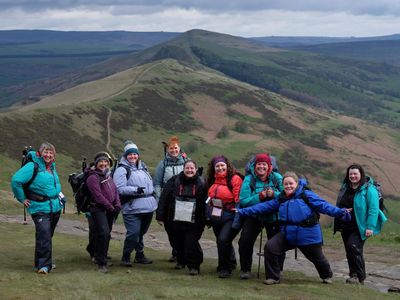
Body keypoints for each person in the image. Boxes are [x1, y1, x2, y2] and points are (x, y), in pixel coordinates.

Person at [237, 171, 352, 285]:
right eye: (285, 184)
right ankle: (273, 277)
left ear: (296, 183)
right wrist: (243, 211)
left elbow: (323, 206)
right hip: (288, 234)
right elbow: (264, 207)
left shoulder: (306, 194)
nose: (288, 186)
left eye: (290, 183)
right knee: (270, 247)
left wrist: (340, 212)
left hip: (308, 234)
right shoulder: (281, 198)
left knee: (317, 258)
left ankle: (326, 275)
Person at [11, 142, 65, 275]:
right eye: (46, 152)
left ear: (54, 155)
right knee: (45, 235)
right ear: (40, 153)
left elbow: (54, 185)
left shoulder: (52, 166)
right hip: (39, 207)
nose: (48, 155)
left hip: (54, 206)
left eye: (51, 152)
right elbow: (16, 181)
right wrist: (22, 198)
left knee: (45, 235)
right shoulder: (32, 166)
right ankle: (44, 266)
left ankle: (40, 263)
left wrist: (60, 197)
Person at [334, 164, 387, 284]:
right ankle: (353, 275)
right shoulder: (345, 187)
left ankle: (360, 276)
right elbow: (340, 203)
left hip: (361, 226)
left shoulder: (368, 189)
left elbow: (373, 209)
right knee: (350, 250)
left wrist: (370, 227)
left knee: (353, 247)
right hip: (346, 225)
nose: (352, 176)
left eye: (355, 174)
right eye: (350, 174)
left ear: (361, 175)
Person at [156, 160, 207, 275]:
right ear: (183, 169)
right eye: (187, 168)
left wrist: (207, 218)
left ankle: (194, 266)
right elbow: (164, 198)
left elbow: (206, 202)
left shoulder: (202, 183)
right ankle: (181, 260)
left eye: (192, 168)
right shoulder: (174, 181)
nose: (189, 170)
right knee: (176, 242)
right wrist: (160, 215)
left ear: (196, 169)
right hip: (174, 219)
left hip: (195, 221)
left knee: (191, 243)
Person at [238, 153, 283, 279]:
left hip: (274, 216)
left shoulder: (277, 177)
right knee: (245, 241)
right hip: (254, 216)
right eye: (259, 164)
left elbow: (286, 195)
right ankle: (245, 270)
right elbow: (244, 201)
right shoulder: (249, 179)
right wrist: (259, 197)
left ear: (269, 166)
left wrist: (274, 194)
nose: (261, 167)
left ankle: (277, 269)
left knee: (277, 244)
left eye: (264, 164)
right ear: (254, 166)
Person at [113, 141, 157, 267]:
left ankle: (139, 255)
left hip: (148, 207)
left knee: (140, 234)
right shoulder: (122, 170)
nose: (133, 157)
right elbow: (119, 188)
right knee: (133, 233)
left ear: (138, 155)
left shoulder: (143, 167)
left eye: (135, 154)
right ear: (125, 155)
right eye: (130, 154)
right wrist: (135, 190)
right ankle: (126, 256)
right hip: (132, 207)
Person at [206, 155, 243, 278]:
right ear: (214, 168)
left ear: (227, 166)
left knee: (223, 240)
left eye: (222, 165)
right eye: (217, 166)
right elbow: (209, 198)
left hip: (230, 216)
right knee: (221, 241)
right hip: (216, 216)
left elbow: (239, 200)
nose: (220, 168)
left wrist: (238, 220)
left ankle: (224, 268)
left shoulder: (235, 179)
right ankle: (230, 262)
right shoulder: (212, 179)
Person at [153, 136, 188, 262]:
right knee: (171, 229)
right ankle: (176, 250)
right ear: (167, 150)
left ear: (179, 149)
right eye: (171, 148)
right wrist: (159, 199)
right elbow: (156, 183)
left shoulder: (186, 161)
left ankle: (180, 254)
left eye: (175, 148)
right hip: (168, 202)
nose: (173, 150)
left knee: (183, 228)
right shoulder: (162, 164)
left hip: (184, 201)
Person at [86, 151, 121, 273]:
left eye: (106, 162)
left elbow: (115, 190)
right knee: (104, 233)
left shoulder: (108, 175)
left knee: (106, 234)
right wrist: (110, 207)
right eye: (101, 161)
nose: (103, 164)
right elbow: (97, 196)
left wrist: (117, 204)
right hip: (97, 209)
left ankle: (100, 255)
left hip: (110, 209)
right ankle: (101, 263)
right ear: (96, 164)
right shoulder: (92, 177)